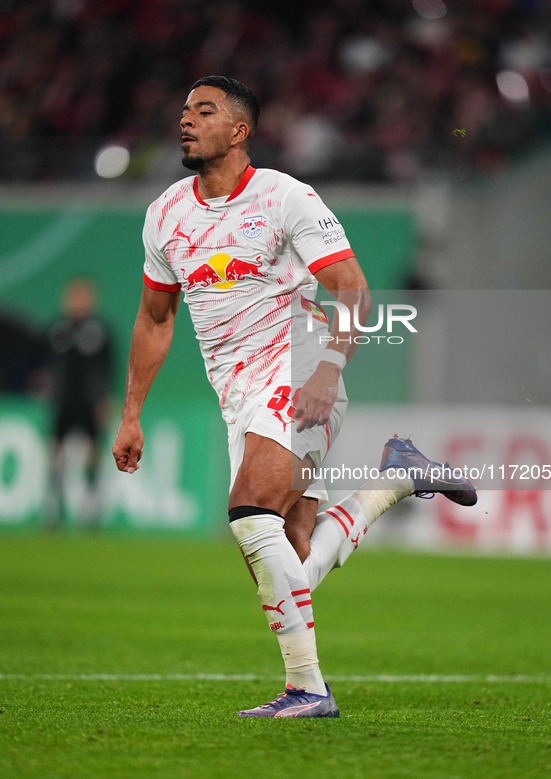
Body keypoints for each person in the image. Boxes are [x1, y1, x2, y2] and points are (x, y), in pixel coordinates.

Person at [112, 75, 476, 718]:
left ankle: (308, 691)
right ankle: (394, 480)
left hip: (299, 372)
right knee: (292, 562)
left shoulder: (284, 198)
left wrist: (328, 371)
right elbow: (155, 319)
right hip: (236, 394)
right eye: (184, 111)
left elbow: (354, 290)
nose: (186, 121)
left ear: (240, 131)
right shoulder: (166, 213)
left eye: (205, 111)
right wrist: (132, 412)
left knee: (251, 512)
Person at [48, 277, 113, 527]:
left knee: (92, 450)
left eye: (82, 296)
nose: (77, 302)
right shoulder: (57, 329)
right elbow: (46, 363)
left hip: (90, 402)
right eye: (73, 296)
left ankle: (91, 504)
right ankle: (54, 504)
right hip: (63, 401)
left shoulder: (100, 330)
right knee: (56, 450)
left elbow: (109, 367)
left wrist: (105, 399)